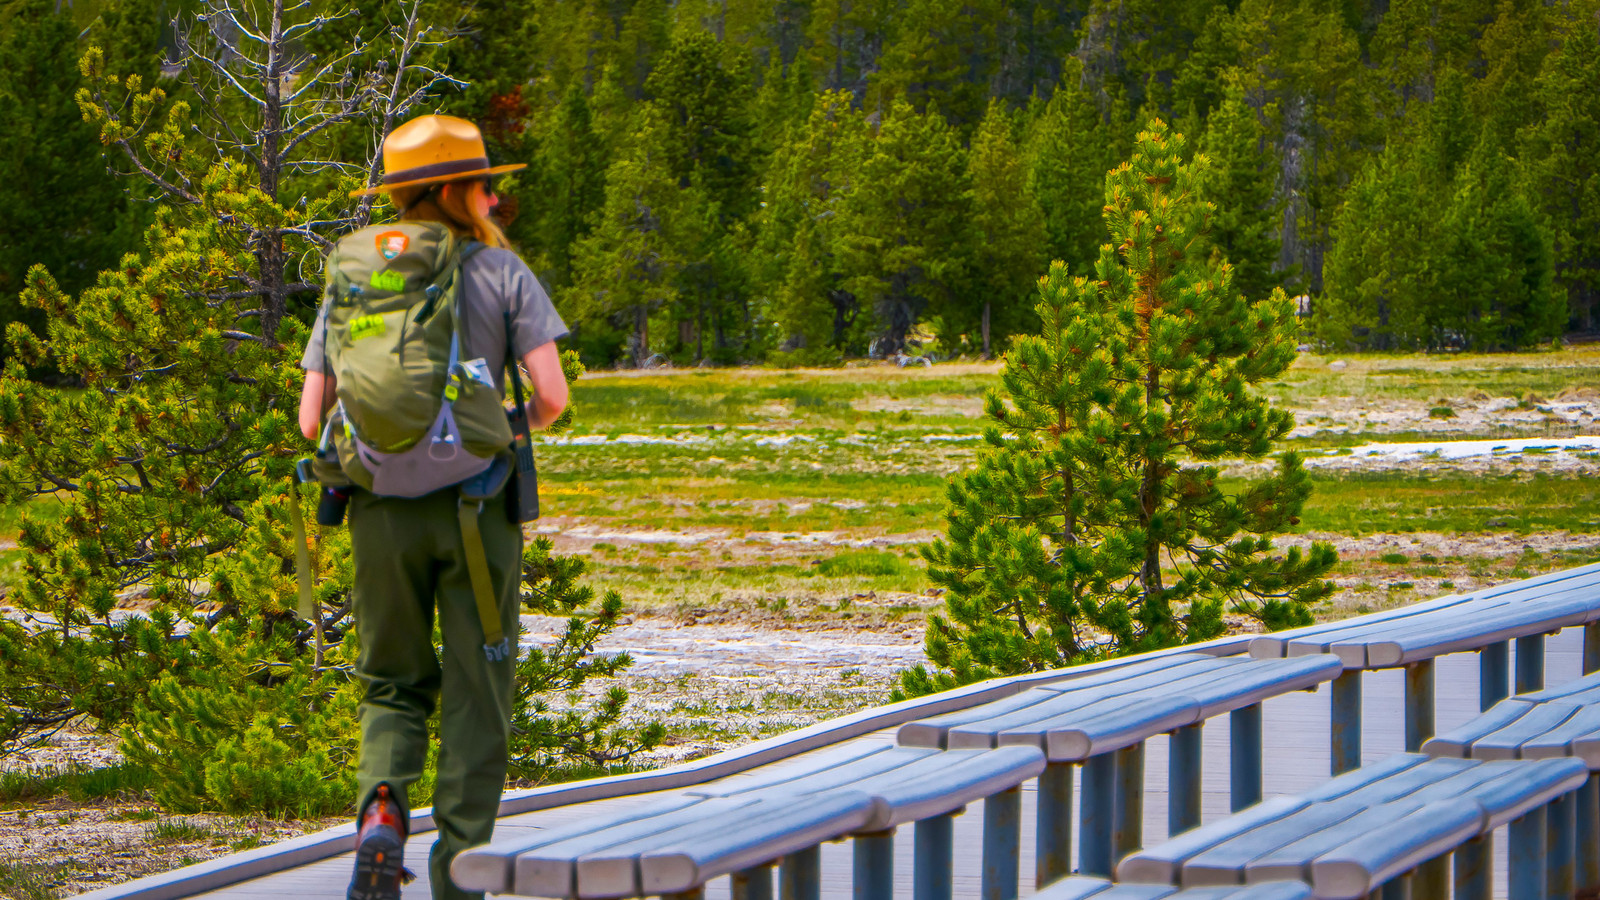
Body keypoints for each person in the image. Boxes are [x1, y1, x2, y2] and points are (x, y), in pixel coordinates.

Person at [297, 114, 570, 900]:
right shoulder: (502, 273)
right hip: (477, 513)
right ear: (455, 189)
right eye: (486, 182)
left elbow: (312, 420)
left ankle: (382, 810)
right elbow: (551, 398)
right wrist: (491, 430)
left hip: (378, 513)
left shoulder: (355, 276)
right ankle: (459, 880)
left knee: (392, 683)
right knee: (478, 690)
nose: (493, 195)